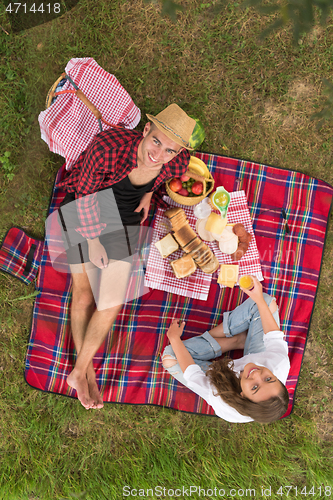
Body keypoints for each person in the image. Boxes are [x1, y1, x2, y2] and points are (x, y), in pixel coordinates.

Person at [56, 104, 196, 409]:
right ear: (146, 131)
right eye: (156, 142)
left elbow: (163, 173)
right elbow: (82, 193)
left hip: (126, 218)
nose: (158, 155)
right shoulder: (108, 148)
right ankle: (85, 373)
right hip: (87, 208)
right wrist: (93, 241)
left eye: (169, 151)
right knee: (83, 295)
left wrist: (147, 193)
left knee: (111, 301)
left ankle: (78, 371)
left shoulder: (177, 160)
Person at [162, 277, 290, 423]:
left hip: (220, 375)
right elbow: (274, 337)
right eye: (269, 379)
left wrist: (174, 338)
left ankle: (234, 340)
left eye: (255, 387)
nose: (257, 374)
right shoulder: (279, 363)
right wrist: (259, 298)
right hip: (256, 353)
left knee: (170, 356)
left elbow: (192, 373)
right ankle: (235, 341)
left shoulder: (220, 395)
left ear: (242, 395)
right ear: (277, 379)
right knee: (267, 302)